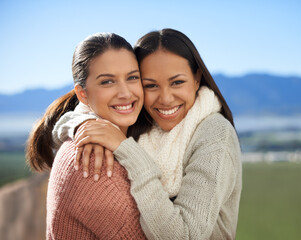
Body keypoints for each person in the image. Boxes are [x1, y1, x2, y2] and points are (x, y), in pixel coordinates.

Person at [54, 28, 242, 239]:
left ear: (197, 78)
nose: (166, 99)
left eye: (177, 82)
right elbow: (75, 113)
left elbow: (185, 236)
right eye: (150, 85)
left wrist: (126, 149)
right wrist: (84, 125)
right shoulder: (143, 119)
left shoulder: (214, 134)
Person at [26, 33, 147, 239]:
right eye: (107, 81)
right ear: (82, 94)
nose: (125, 93)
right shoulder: (91, 162)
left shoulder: (125, 138)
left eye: (132, 77)